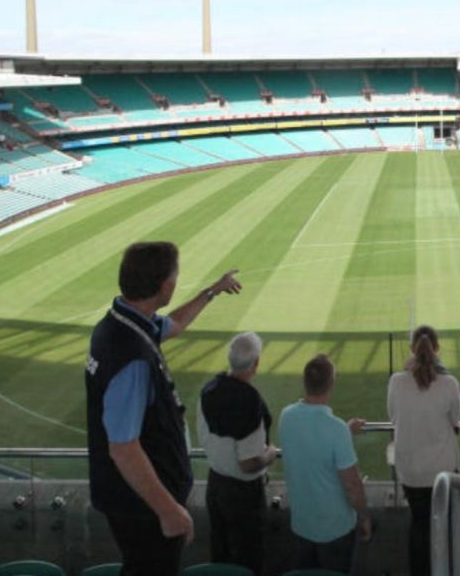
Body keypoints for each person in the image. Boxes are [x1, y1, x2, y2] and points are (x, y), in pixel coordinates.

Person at [85, 241, 242, 576]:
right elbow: (124, 448)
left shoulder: (123, 321)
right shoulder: (132, 358)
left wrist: (212, 291)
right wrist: (168, 509)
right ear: (166, 286)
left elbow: (174, 324)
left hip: (134, 499)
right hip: (143, 506)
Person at [280, 354, 372, 573]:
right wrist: (364, 516)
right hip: (335, 530)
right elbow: (352, 485)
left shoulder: (287, 416)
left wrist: (345, 433)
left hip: (301, 525)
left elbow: (310, 441)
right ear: (331, 384)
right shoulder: (336, 429)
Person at [197, 331, 277, 575]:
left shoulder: (208, 389)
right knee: (249, 559)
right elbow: (249, 463)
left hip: (216, 485)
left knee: (220, 555)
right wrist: (270, 455)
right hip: (244, 495)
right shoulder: (249, 402)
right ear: (256, 363)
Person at [387, 324, 460, 576]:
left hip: (410, 471)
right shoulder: (449, 383)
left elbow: (393, 416)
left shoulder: (397, 382)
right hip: (442, 472)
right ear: (437, 349)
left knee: (419, 524)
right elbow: (455, 421)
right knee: (442, 525)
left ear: (412, 349)